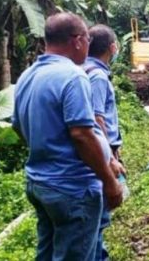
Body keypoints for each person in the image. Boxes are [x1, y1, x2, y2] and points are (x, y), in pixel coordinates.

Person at [12, 13, 123, 261]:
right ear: (77, 40)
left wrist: (47, 149)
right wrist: (109, 181)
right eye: (87, 38)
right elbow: (82, 134)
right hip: (72, 188)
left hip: (40, 182)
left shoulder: (26, 76)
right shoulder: (73, 76)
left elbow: (19, 126)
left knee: (48, 252)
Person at [84, 25, 127, 261]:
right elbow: (97, 118)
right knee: (98, 217)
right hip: (101, 149)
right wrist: (110, 157)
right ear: (112, 48)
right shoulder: (98, 75)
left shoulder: (83, 69)